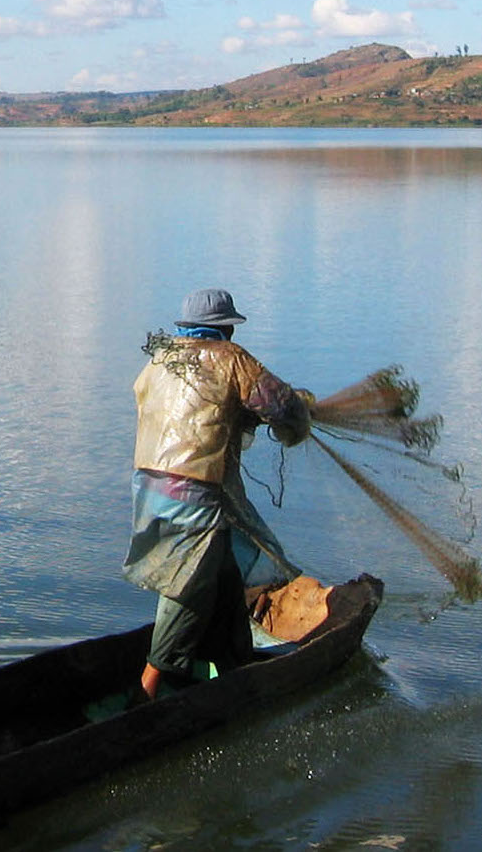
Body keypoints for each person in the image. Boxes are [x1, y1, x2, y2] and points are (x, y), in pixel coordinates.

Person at [124, 288, 314, 701]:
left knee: (219, 566)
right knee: (189, 584)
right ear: (225, 327)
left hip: (151, 484)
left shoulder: (160, 360)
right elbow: (284, 407)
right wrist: (299, 418)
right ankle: (148, 689)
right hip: (196, 489)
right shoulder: (233, 360)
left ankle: (236, 665)